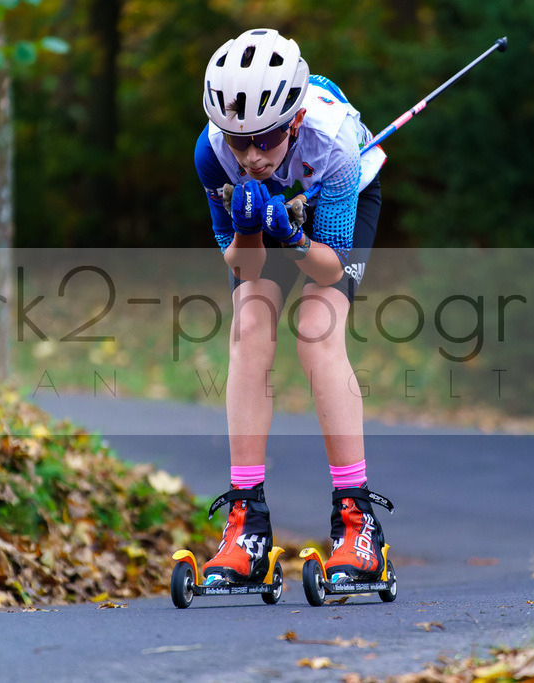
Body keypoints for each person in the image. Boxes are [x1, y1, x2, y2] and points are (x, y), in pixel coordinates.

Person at [193, 28, 393, 588]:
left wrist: (294, 236)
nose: (252, 157)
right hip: (267, 218)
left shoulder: (334, 146)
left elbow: (327, 268)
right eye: (240, 142)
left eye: (266, 139)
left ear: (296, 122)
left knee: (316, 331)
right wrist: (247, 227)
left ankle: (356, 521)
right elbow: (245, 267)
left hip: (335, 204)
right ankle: (247, 526)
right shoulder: (213, 153)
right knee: (249, 326)